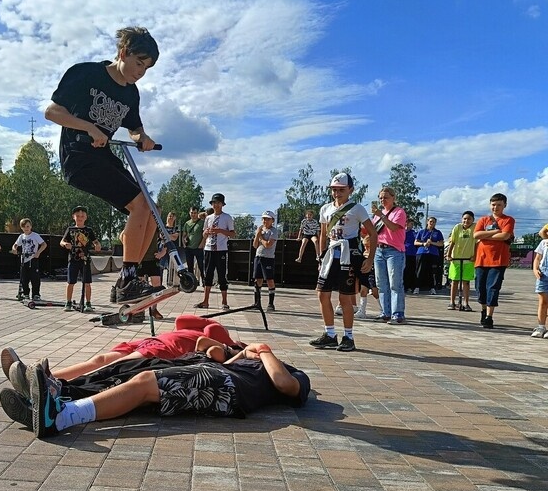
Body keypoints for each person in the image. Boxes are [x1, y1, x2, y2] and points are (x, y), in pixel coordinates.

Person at [45, 26, 161, 304]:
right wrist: (88, 127)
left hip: (103, 157)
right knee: (140, 205)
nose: (141, 72)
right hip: (78, 156)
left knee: (152, 212)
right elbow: (52, 112)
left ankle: (128, 277)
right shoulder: (86, 73)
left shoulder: (131, 94)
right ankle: (129, 278)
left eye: (147, 68)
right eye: (138, 63)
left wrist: (142, 138)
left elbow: (134, 128)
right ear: (123, 53)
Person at [25, 342, 310, 439]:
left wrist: (264, 350)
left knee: (147, 383)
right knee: (141, 387)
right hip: (218, 378)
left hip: (225, 388)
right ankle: (55, 403)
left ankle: (61, 417)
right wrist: (244, 353)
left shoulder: (292, 374)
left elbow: (286, 385)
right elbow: (223, 358)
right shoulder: (248, 365)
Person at [1, 314, 240, 390]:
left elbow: (191, 325)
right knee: (101, 360)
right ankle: (40, 376)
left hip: (166, 349)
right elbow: (180, 321)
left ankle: (53, 386)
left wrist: (211, 323)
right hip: (151, 341)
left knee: (112, 366)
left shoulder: (223, 338)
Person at [309, 172, 377, 352]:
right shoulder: (325, 209)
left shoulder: (357, 208)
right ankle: (330, 334)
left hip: (348, 255)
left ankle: (349, 336)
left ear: (350, 190)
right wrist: (320, 257)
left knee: (345, 297)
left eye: (341, 190)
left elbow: (373, 233)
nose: (337, 193)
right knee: (322, 294)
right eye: (334, 190)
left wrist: (369, 259)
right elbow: (323, 234)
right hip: (331, 255)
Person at [474, 193, 515, 329]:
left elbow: (505, 235)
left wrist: (486, 236)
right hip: (481, 259)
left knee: (493, 287)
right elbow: (476, 234)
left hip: (498, 260)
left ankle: (489, 316)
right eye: (493, 204)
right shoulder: (484, 219)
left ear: (504, 205)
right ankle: (483, 309)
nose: (495, 207)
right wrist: (494, 232)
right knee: (480, 287)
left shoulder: (509, 220)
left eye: (499, 205)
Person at [370, 186, 407, 324]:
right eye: (380, 198)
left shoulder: (399, 212)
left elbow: (393, 227)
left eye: (385, 197)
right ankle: (385, 312)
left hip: (394, 251)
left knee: (395, 284)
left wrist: (381, 216)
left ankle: (398, 314)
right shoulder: (378, 215)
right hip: (379, 250)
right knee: (381, 283)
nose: (382, 200)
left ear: (393, 198)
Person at [195, 193, 235, 309]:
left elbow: (232, 233)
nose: (216, 205)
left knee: (222, 275)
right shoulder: (208, 218)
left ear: (222, 204)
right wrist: (206, 233)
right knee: (208, 275)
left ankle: (224, 302)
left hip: (221, 249)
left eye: (218, 203)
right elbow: (204, 233)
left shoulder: (227, 217)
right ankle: (205, 301)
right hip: (209, 249)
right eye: (214, 203)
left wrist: (221, 231)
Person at [60, 206, 101, 312]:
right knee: (70, 282)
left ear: (86, 217)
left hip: (85, 259)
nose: (80, 218)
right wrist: (66, 244)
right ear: (73, 217)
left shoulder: (89, 230)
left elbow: (95, 241)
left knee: (87, 283)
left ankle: (88, 303)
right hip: (73, 259)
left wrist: (97, 245)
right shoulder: (70, 229)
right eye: (77, 216)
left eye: (82, 216)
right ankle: (68, 302)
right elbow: (62, 241)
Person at [446, 211, 476, 311]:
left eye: (469, 219)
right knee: (454, 281)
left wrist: (474, 256)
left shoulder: (474, 228)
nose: (466, 221)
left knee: (466, 282)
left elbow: (477, 243)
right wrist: (449, 255)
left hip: (468, 259)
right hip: (456, 259)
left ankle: (466, 302)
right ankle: (452, 302)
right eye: (465, 219)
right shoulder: (457, 227)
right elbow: (453, 242)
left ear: (473, 220)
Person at [13, 218, 47, 301]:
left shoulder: (35, 235)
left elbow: (44, 244)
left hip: (33, 259)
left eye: (28, 226)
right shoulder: (21, 236)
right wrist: (14, 249)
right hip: (24, 260)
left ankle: (36, 294)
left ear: (31, 226)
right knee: (24, 278)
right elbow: (15, 244)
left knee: (35, 278)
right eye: (24, 227)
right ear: (22, 228)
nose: (26, 228)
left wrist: (38, 252)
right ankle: (26, 293)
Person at [253, 210, 279, 311]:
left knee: (269, 280)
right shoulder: (260, 230)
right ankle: (257, 302)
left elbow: (268, 244)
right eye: (264, 219)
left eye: (268, 219)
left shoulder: (274, 231)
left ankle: (271, 303)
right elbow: (255, 245)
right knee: (257, 279)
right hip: (258, 256)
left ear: (272, 220)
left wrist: (261, 238)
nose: (265, 221)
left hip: (268, 258)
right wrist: (257, 235)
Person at [413, 217, 443, 295]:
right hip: (422, 252)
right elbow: (415, 242)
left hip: (433, 253)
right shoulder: (421, 232)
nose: (432, 223)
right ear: (427, 222)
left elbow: (441, 243)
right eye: (430, 221)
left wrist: (432, 243)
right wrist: (423, 243)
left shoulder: (438, 232)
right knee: (420, 270)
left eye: (433, 222)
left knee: (432, 271)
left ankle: (432, 288)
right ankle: (417, 287)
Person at [181, 206, 205, 280]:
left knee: (201, 266)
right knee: (190, 266)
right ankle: (192, 282)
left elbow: (205, 235)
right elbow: (183, 235)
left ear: (197, 213)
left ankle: (204, 281)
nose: (193, 214)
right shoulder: (187, 223)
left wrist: (201, 244)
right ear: (189, 213)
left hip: (198, 248)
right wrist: (184, 244)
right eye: (192, 213)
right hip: (189, 248)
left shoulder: (202, 223)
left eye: (195, 213)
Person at [531, 237, 548, 338]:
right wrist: (535, 269)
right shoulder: (544, 242)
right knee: (543, 302)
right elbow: (537, 258)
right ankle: (541, 326)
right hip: (543, 274)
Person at [403, 219, 417, 293]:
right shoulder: (402, 232)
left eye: (412, 224)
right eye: (411, 224)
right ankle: (404, 286)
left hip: (412, 253)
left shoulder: (413, 233)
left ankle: (411, 286)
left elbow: (417, 239)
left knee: (411, 270)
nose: (412, 225)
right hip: (404, 252)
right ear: (407, 224)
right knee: (405, 270)